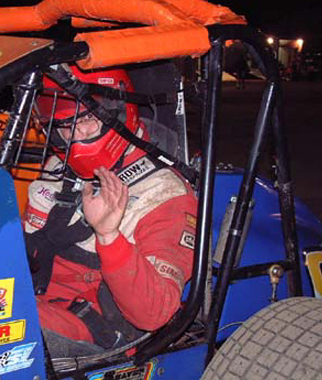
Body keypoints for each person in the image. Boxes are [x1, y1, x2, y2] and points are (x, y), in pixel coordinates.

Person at [23, 65, 198, 357]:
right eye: (64, 125)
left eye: (87, 119)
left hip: (95, 325)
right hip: (35, 299)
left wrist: (109, 236)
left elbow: (155, 314)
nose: (75, 135)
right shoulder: (58, 167)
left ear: (118, 113)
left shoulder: (165, 194)